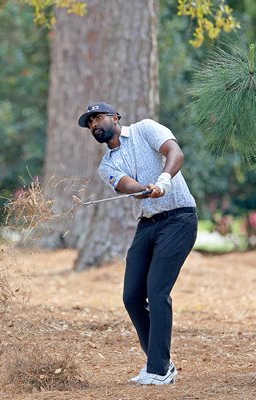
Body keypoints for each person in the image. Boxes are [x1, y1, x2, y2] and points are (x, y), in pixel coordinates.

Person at [77, 102, 198, 385]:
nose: (94, 125)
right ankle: (160, 362)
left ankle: (159, 369)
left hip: (179, 218)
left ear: (115, 117)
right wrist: (143, 189)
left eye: (98, 118)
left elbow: (174, 153)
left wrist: (164, 180)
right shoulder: (106, 165)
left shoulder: (146, 129)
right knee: (132, 296)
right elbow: (126, 185)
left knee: (157, 292)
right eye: (90, 123)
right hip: (147, 225)